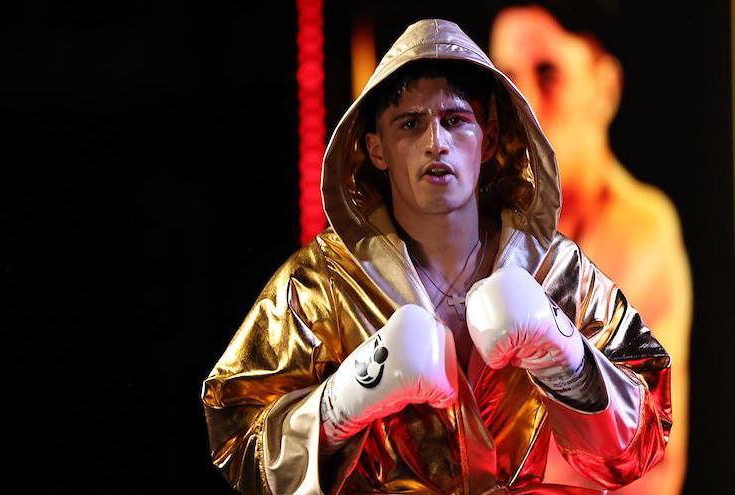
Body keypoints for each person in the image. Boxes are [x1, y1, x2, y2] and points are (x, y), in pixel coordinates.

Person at [201, 19, 672, 495]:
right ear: (376, 148)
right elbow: (238, 440)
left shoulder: (554, 270)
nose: (436, 142)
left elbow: (645, 438)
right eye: (411, 124)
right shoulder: (322, 282)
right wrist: (344, 401)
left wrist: (565, 354)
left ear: (487, 138)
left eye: (454, 120)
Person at [490, 6, 693, 494]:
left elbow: (647, 460)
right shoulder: (478, 220)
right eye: (507, 79)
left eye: (548, 74)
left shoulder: (639, 230)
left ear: (604, 88)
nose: (526, 104)